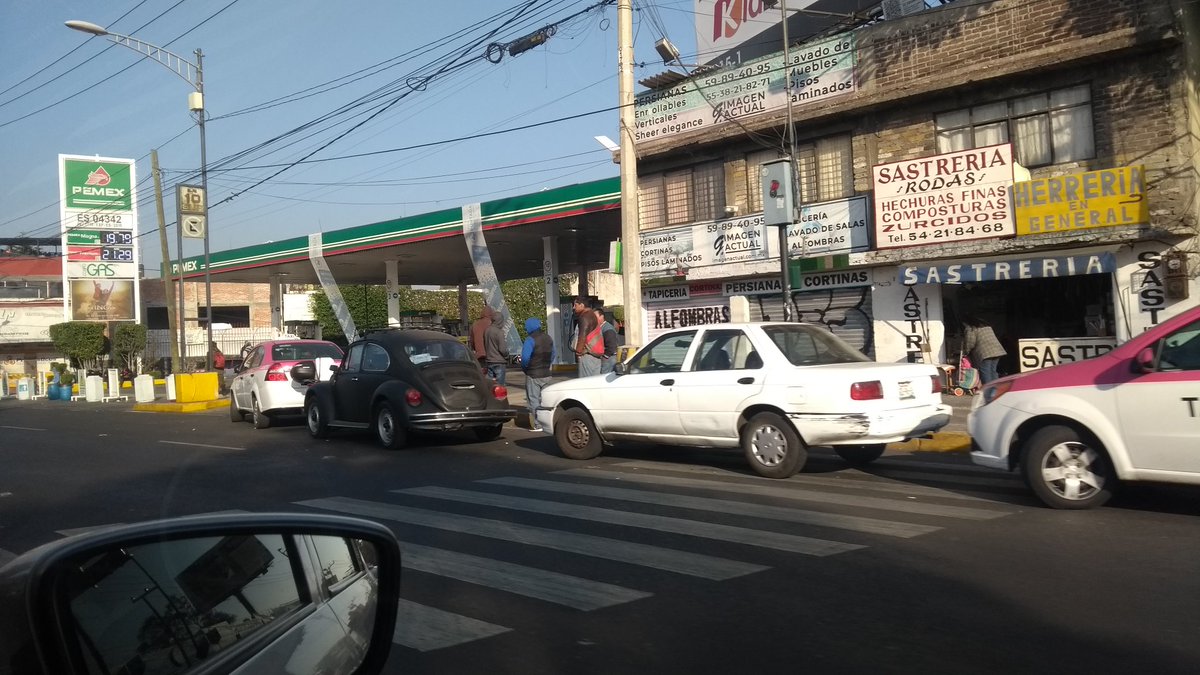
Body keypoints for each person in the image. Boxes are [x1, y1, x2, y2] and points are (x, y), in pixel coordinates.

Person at [520, 317, 555, 432]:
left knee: (534, 400)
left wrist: (526, 369)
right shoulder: (548, 338)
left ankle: (538, 424)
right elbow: (553, 354)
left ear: (529, 327)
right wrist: (547, 365)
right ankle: (548, 423)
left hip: (533, 374)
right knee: (546, 399)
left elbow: (525, 358)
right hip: (546, 373)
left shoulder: (530, 340)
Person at [962, 314, 1006, 384]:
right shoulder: (987, 326)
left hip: (985, 353)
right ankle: (996, 389)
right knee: (993, 371)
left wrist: (965, 352)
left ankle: (987, 390)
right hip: (997, 351)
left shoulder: (971, 328)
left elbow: (970, 342)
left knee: (986, 372)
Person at [571, 295, 602, 378]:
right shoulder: (592, 315)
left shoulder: (584, 317)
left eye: (575, 305)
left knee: (585, 383)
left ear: (582, 305)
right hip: (595, 355)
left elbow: (582, 336)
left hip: (587, 355)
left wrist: (578, 352)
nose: (574, 308)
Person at [483, 311, 510, 385]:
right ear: (500, 321)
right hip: (499, 362)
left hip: (489, 360)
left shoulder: (487, 330)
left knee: (490, 385)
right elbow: (502, 349)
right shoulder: (499, 332)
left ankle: (490, 396)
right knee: (500, 386)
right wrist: (507, 355)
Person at [592, 301, 619, 375]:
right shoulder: (600, 328)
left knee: (604, 377)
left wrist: (605, 356)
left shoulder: (607, 329)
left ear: (602, 316)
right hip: (606, 358)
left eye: (595, 316)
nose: (593, 319)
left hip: (609, 359)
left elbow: (612, 345)